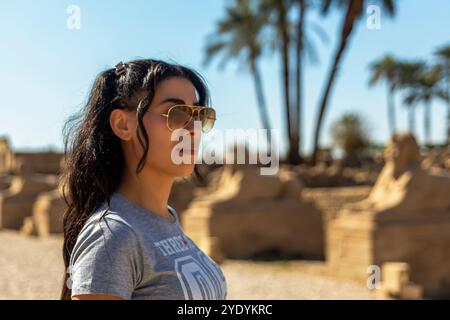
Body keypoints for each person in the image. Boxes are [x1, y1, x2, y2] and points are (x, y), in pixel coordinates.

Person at [60, 59, 227, 300]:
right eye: (177, 113)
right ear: (122, 124)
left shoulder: (166, 221)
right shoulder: (112, 235)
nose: (193, 128)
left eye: (198, 114)